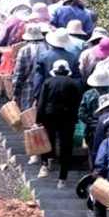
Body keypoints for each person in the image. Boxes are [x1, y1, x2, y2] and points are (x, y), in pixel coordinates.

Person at [36, 59, 82, 187]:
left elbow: (41, 103)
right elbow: (77, 103)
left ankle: (45, 164)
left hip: (49, 116)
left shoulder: (48, 82)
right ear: (67, 71)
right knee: (65, 146)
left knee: (47, 140)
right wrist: (76, 119)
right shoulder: (73, 84)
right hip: (67, 118)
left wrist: (38, 120)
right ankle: (62, 178)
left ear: (54, 71)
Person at [78, 66, 109, 160]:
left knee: (94, 153)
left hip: (92, 131)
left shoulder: (88, 95)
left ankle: (94, 168)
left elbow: (81, 114)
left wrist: (94, 123)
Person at [33, 28, 82, 101]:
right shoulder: (73, 57)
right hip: (67, 96)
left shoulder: (43, 56)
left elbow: (38, 78)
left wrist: (37, 95)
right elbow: (77, 80)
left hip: (48, 94)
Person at [13, 23, 47, 112]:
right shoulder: (48, 48)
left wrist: (15, 92)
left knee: (28, 116)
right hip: (45, 91)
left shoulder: (24, 50)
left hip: (28, 89)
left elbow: (18, 74)